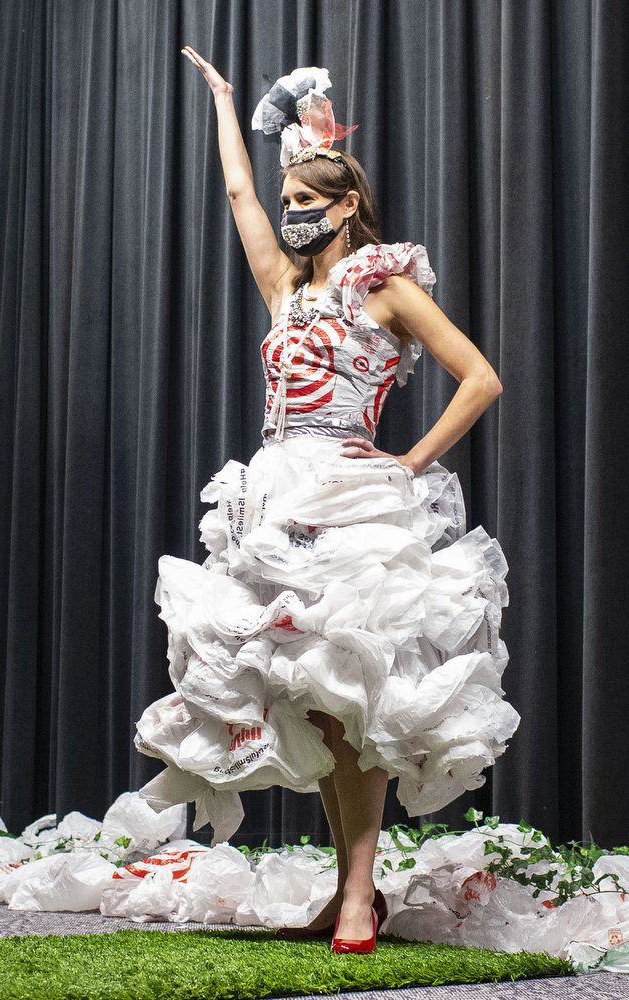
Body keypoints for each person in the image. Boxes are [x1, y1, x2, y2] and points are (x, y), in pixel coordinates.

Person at [131, 48, 519, 955]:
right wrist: (227, 103)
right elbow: (238, 198)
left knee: (356, 698)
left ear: (348, 207)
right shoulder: (284, 289)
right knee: (304, 699)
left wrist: (410, 464)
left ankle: (356, 896)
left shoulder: (384, 286)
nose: (295, 216)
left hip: (351, 493)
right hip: (275, 495)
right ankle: (356, 890)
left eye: (311, 203)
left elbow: (480, 378)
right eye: (291, 203)